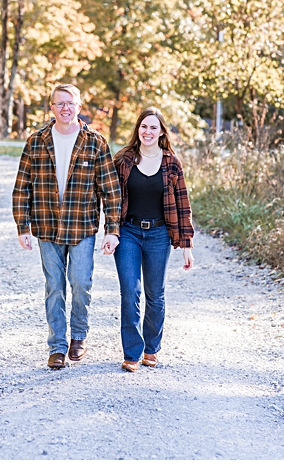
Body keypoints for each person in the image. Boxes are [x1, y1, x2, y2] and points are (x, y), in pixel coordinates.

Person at [11, 83, 123, 370]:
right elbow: (22, 187)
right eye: (59, 103)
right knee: (54, 286)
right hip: (46, 226)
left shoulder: (95, 142)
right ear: (51, 107)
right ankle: (57, 346)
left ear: (79, 106)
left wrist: (112, 229)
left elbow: (110, 190)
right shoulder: (36, 141)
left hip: (82, 226)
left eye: (70, 103)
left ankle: (79, 336)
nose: (65, 108)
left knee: (81, 282)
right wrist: (22, 226)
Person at [105, 107, 194, 372]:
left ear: (162, 132)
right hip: (129, 232)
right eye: (144, 126)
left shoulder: (171, 163)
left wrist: (187, 245)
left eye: (153, 127)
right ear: (138, 130)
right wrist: (110, 231)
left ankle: (151, 348)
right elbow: (111, 198)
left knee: (155, 294)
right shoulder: (123, 159)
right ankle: (132, 352)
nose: (148, 132)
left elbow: (183, 204)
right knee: (130, 292)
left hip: (158, 234)